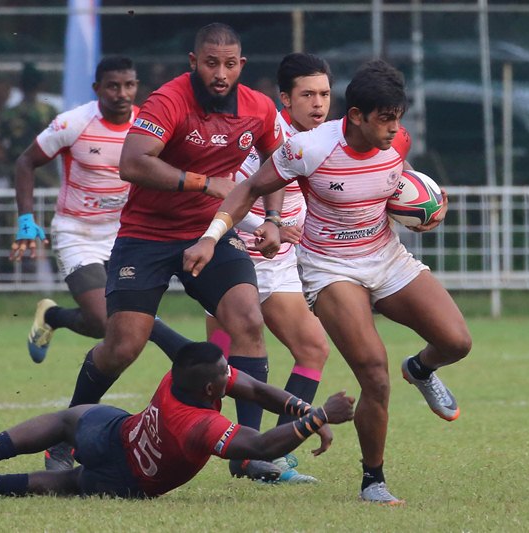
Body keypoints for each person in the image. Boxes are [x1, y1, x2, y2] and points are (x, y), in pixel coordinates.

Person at [183, 59, 472, 505]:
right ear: (355, 116)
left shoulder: (397, 140)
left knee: (457, 342)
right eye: (385, 119)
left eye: (398, 118)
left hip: (387, 256)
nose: (394, 129)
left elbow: (402, 176)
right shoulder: (309, 148)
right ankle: (373, 480)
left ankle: (421, 368)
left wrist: (427, 202)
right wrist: (210, 237)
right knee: (374, 373)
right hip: (331, 268)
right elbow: (251, 188)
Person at [33, 23, 285, 480]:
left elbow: (276, 165)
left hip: (208, 231)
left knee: (248, 321)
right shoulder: (167, 101)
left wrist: (273, 219)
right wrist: (206, 183)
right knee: (122, 345)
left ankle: (248, 453)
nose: (221, 73)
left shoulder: (259, 108)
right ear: (194, 62)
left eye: (230, 64)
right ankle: (63, 436)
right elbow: (133, 163)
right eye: (211, 63)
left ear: (242, 66)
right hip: (146, 234)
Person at [0, 342, 355, 498]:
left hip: (115, 431)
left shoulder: (178, 376)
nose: (231, 375)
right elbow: (260, 448)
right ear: (212, 390)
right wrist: (318, 416)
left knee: (68, 418)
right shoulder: (199, 425)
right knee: (69, 484)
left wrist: (301, 410)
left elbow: (259, 390)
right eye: (226, 373)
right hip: (128, 480)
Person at [205, 53, 334, 484]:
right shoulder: (266, 136)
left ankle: (266, 453)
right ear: (285, 98)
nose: (318, 104)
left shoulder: (327, 138)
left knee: (313, 348)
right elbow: (229, 197)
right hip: (233, 260)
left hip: (277, 266)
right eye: (308, 95)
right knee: (214, 371)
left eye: (325, 94)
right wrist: (270, 226)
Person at [8, 56, 141, 365]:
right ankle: (54, 317)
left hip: (126, 234)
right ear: (97, 88)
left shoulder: (146, 126)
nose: (122, 94)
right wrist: (26, 218)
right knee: (105, 324)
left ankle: (52, 316)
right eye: (113, 86)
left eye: (129, 85)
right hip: (77, 232)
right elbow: (25, 161)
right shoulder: (74, 123)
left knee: (126, 324)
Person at [0, 63, 59, 187]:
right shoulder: (49, 111)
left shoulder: (9, 114)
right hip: (45, 174)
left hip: (22, 174)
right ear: (40, 85)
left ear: (20, 86)